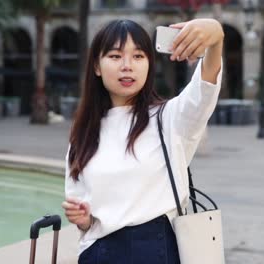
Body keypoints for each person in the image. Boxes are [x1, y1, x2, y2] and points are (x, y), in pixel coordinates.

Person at [61, 18, 224, 263]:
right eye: (115, 56)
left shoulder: (170, 118)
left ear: (149, 64)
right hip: (97, 254)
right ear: (96, 66)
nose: (127, 66)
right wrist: (85, 220)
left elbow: (206, 84)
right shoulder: (83, 134)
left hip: (154, 251)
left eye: (138, 57)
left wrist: (216, 34)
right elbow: (84, 214)